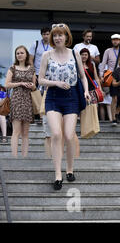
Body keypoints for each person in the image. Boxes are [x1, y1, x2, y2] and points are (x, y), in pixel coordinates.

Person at [38, 23, 90, 191]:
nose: (57, 38)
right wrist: (56, 83)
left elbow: (82, 76)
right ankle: (58, 174)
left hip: (72, 98)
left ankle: (69, 169)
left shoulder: (74, 53)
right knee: (55, 133)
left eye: (61, 35)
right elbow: (40, 80)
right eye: (55, 35)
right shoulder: (47, 54)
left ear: (67, 37)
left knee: (69, 135)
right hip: (53, 97)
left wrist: (87, 91)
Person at [4, 46, 36, 157]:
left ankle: (24, 157)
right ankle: (14, 157)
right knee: (16, 131)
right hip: (16, 100)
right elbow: (7, 84)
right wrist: (20, 83)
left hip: (28, 100)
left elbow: (34, 87)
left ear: (26, 54)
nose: (19, 55)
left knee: (26, 133)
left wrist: (32, 85)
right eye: (17, 53)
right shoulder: (12, 68)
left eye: (21, 53)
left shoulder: (31, 69)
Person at [29, 27, 52, 143]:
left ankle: (46, 116)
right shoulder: (36, 44)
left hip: (49, 75)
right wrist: (33, 73)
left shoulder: (53, 44)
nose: (46, 36)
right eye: (44, 34)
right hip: (38, 74)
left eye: (48, 34)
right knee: (38, 95)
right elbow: (31, 59)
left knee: (47, 95)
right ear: (41, 35)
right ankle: (38, 116)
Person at [99, 34, 120, 126]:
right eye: (114, 40)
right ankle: (114, 118)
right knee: (114, 98)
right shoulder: (108, 51)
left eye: (117, 40)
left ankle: (117, 114)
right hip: (112, 75)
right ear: (112, 41)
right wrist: (101, 75)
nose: (115, 41)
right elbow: (103, 63)